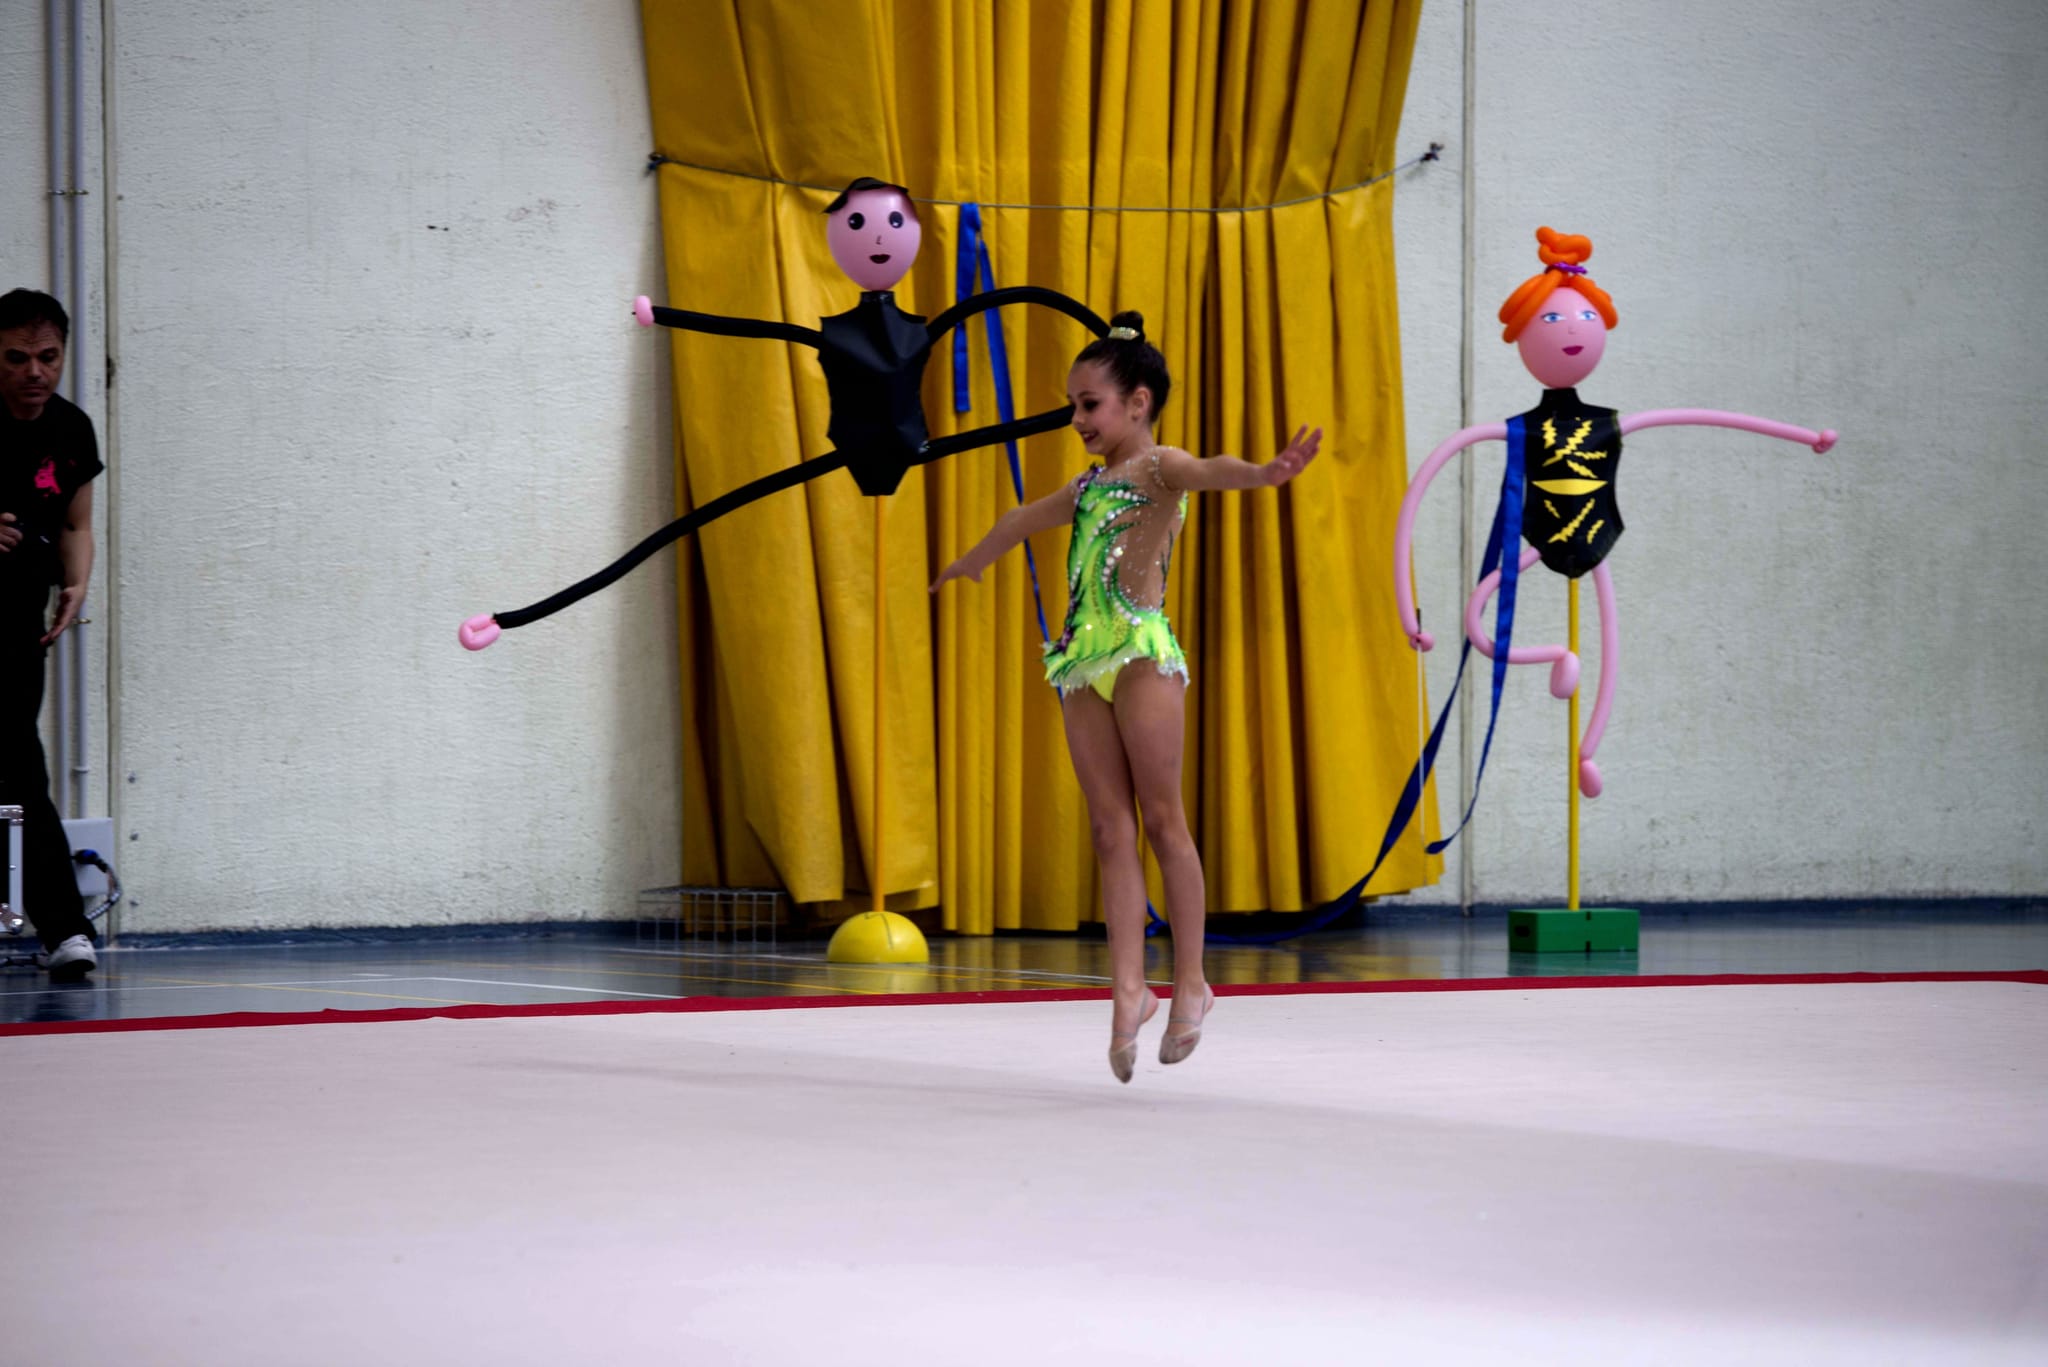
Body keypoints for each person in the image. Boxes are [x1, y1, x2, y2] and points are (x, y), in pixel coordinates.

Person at [931, 311, 1321, 1081]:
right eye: (1073, 404)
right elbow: (1020, 518)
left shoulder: (1159, 467)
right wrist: (973, 560)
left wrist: (1265, 473)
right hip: (1083, 664)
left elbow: (1212, 468)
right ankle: (1129, 991)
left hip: (1141, 654)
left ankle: (1193, 981)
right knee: (1110, 830)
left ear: (1137, 403)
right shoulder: (1086, 486)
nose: (1077, 418)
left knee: (1163, 820)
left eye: (1089, 404)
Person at [0, 288, 102, 980]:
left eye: (48, 356)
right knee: (14, 766)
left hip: (15, 618)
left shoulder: (71, 429)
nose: (34, 372)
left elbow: (76, 523)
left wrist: (76, 584)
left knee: (17, 768)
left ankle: (63, 928)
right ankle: (63, 925)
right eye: (16, 358)